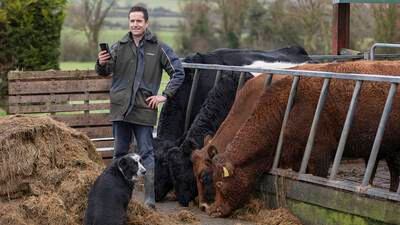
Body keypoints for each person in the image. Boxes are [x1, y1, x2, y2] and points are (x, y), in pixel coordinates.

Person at [95, 5, 185, 209]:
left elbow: (178, 72)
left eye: (139, 21)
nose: (135, 24)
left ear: (146, 23)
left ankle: (149, 199)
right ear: (129, 22)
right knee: (119, 154)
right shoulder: (119, 46)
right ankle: (118, 196)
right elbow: (105, 71)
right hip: (121, 110)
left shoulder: (159, 47)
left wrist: (164, 95)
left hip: (144, 109)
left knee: (146, 154)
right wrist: (101, 63)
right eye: (132, 21)